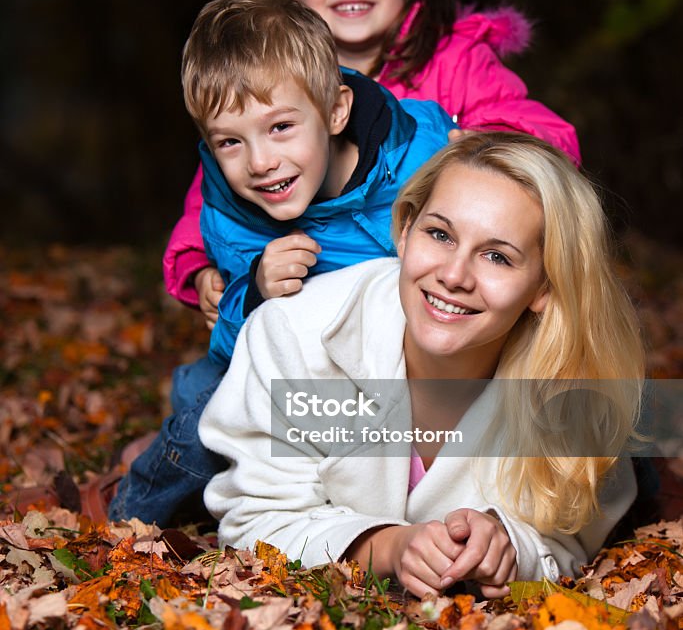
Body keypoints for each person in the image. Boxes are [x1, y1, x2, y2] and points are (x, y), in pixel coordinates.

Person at [199, 133, 643, 598]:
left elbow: (568, 536)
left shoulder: (576, 383)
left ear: (544, 286)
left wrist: (510, 547)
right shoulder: (294, 332)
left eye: (497, 256)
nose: (453, 275)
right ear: (406, 231)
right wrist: (389, 546)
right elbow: (257, 518)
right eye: (440, 234)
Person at [164, 0, 580, 335]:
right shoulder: (264, 84)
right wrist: (198, 269)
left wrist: (488, 144)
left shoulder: (453, 58)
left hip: (443, 266)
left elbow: (543, 132)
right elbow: (217, 193)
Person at [107, 0, 455, 525]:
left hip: (414, 370)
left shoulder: (424, 157)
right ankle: (125, 508)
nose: (261, 162)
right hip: (301, 387)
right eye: (229, 142)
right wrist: (256, 289)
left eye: (280, 127)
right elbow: (231, 347)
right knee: (209, 428)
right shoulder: (234, 214)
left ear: (337, 110)